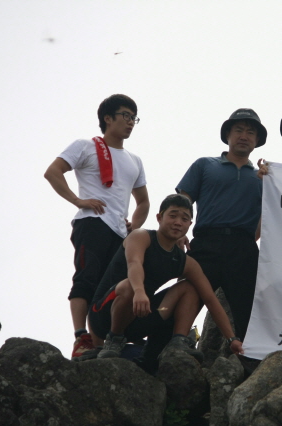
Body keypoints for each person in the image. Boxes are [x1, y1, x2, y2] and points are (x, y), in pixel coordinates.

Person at [44, 94, 150, 359]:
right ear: (108, 118)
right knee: (87, 278)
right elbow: (53, 172)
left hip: (119, 233)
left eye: (134, 118)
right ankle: (81, 337)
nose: (131, 122)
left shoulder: (135, 160)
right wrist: (78, 201)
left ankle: (101, 341)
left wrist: (134, 227)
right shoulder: (86, 146)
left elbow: (144, 202)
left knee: (109, 288)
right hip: (92, 223)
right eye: (126, 115)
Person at [89, 194, 244, 364]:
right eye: (173, 215)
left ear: (190, 224)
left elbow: (210, 299)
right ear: (159, 217)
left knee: (189, 287)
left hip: (139, 317)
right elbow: (134, 263)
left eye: (184, 219)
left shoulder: (185, 262)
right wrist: (139, 291)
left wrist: (231, 339)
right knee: (129, 286)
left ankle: (178, 341)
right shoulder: (141, 237)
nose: (178, 222)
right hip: (103, 315)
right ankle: (115, 339)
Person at [176, 108, 266, 340]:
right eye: (238, 130)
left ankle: (249, 355)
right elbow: (182, 201)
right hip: (206, 243)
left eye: (250, 132)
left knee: (249, 308)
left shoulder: (263, 178)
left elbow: (268, 218)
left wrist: (249, 239)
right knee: (187, 294)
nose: (244, 136)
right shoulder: (204, 165)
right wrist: (178, 232)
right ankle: (171, 345)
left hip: (243, 249)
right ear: (228, 134)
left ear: (257, 140)